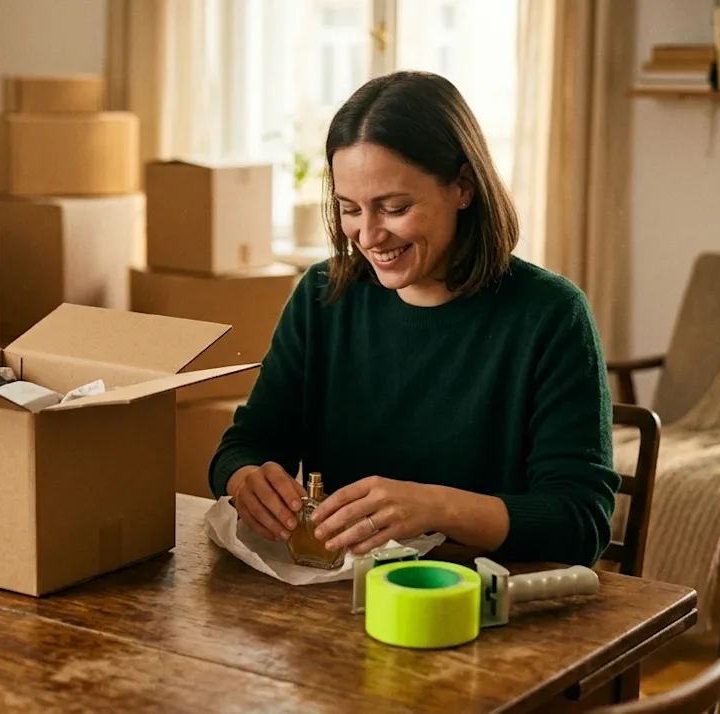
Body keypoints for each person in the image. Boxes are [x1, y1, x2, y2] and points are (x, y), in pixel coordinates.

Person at [207, 70, 620, 568]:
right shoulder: (323, 296)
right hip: (337, 602)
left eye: (395, 207)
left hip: (482, 607)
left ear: (463, 187)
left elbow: (580, 523)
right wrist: (245, 478)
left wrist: (434, 507)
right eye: (350, 209)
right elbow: (245, 443)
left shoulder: (552, 315)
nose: (369, 235)